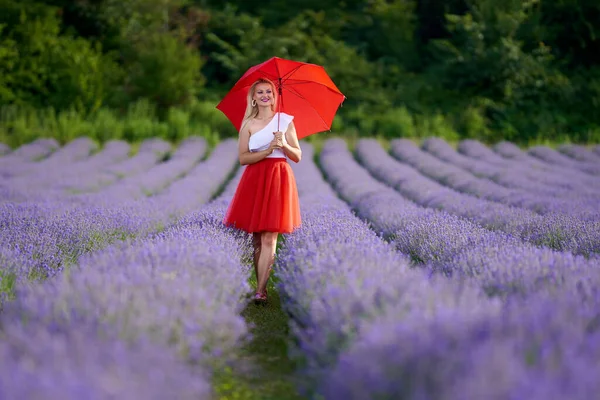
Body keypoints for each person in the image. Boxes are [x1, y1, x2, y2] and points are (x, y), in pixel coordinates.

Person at [223, 77, 302, 303]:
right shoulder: (247, 124)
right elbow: (243, 158)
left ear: (275, 96)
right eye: (260, 92)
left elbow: (297, 156)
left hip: (279, 177)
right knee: (257, 238)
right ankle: (260, 285)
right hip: (256, 177)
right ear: (254, 98)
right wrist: (267, 150)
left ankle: (260, 290)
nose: (265, 95)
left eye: (269, 91)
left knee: (269, 236)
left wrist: (283, 145)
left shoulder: (285, 121)